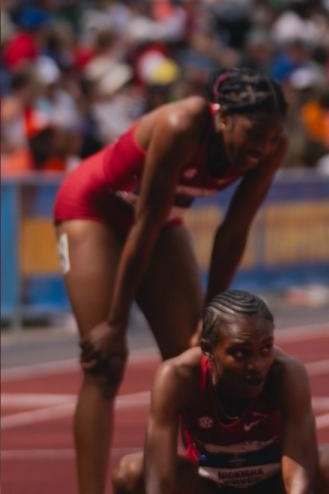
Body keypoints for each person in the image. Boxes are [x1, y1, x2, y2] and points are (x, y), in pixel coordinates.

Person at [53, 68, 289, 493]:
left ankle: (203, 482)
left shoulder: (271, 148)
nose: (260, 148)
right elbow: (143, 223)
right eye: (253, 134)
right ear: (223, 119)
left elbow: (233, 231)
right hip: (95, 210)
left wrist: (212, 318)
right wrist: (115, 323)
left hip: (160, 222)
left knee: (198, 359)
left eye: (272, 138)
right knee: (105, 365)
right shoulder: (183, 124)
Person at [111, 290, 329, 493]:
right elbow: (158, 480)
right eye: (240, 353)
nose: (256, 366)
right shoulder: (177, 377)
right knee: (130, 473)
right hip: (209, 485)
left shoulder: (287, 374)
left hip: (271, 485)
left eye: (265, 349)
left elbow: (299, 479)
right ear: (208, 348)